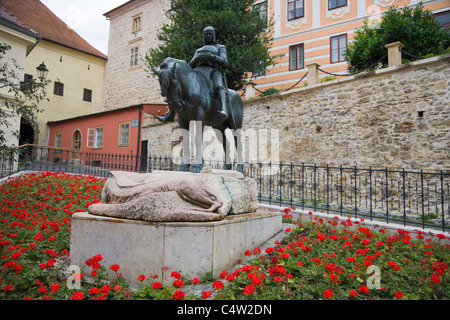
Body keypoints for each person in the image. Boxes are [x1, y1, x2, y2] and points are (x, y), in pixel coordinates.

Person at [156, 26, 229, 123]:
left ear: (213, 35)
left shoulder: (220, 47)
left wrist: (213, 57)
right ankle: (170, 113)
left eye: (210, 34)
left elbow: (226, 63)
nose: (208, 36)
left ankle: (223, 108)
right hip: (199, 71)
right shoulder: (199, 49)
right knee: (182, 86)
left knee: (219, 85)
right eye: (206, 34)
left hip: (214, 70)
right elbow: (189, 66)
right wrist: (196, 59)